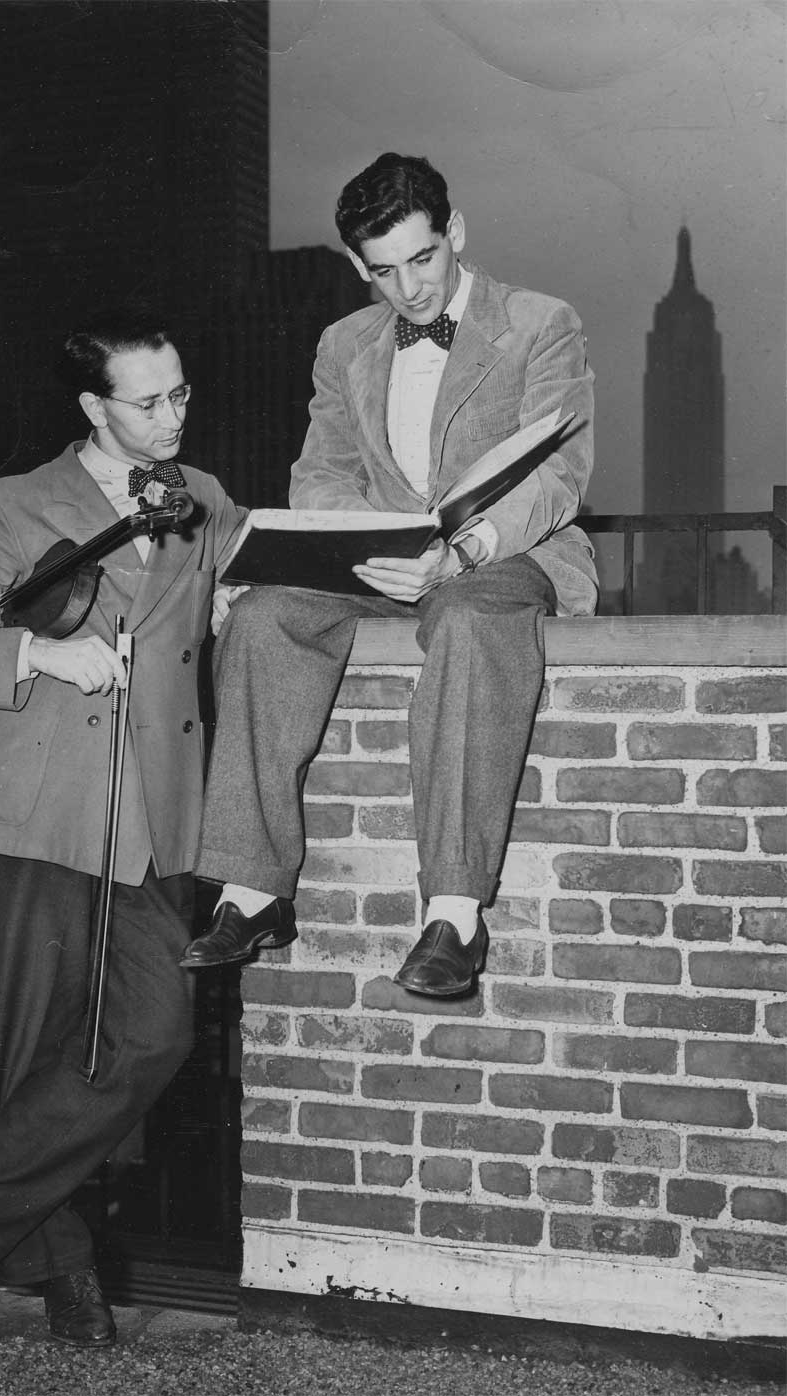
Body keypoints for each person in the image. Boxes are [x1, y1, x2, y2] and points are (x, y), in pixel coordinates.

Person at [0, 310, 246, 1346]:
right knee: (34, 1047)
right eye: (149, 400)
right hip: (41, 811)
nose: (174, 414)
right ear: (93, 407)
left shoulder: (201, 499)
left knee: (152, 1035)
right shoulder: (12, 505)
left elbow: (243, 578)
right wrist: (40, 659)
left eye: (181, 392)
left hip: (151, 816)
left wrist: (240, 600)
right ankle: (64, 1269)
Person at [181, 152, 597, 997]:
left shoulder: (542, 322)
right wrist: (354, 536)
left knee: (468, 622)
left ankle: (454, 915)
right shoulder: (344, 343)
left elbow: (561, 476)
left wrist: (464, 550)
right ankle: (252, 890)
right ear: (354, 266)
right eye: (382, 272)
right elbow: (324, 469)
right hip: (383, 556)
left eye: (423, 259)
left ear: (457, 234)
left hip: (502, 555)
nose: (407, 289)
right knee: (262, 617)